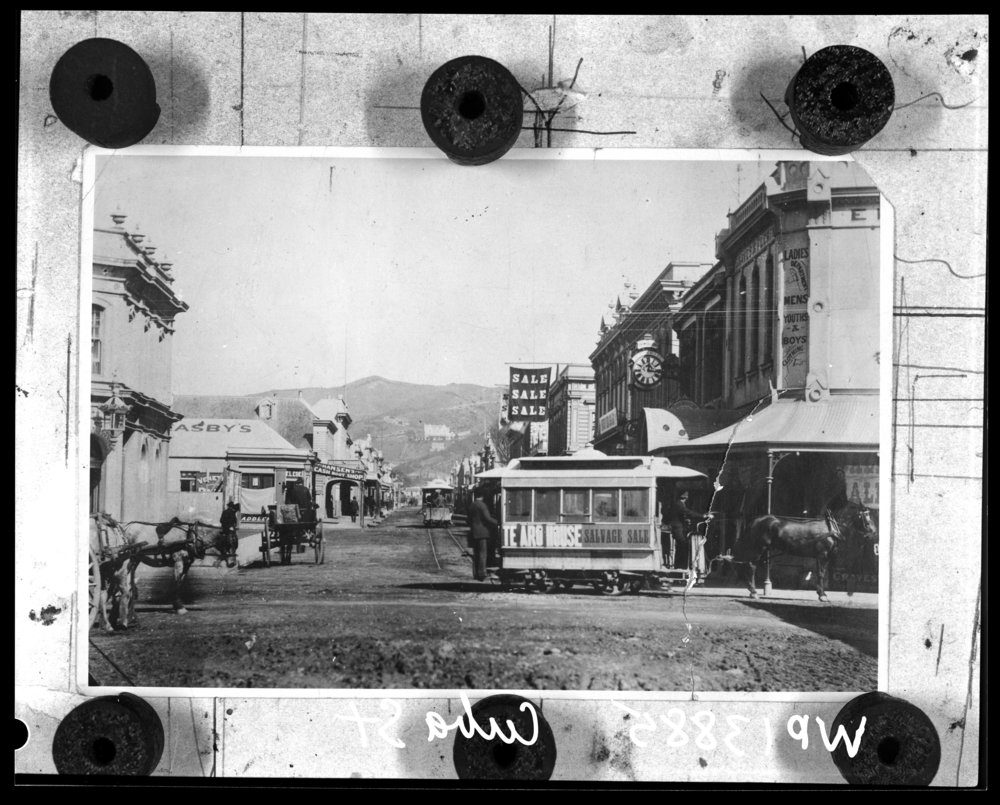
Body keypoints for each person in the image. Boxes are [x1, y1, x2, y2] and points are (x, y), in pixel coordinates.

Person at [665, 491, 710, 579]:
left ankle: (680, 569)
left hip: (678, 527)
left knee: (682, 547)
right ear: (685, 498)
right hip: (677, 528)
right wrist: (703, 516)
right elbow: (688, 512)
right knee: (683, 546)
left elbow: (684, 514)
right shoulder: (679, 504)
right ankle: (680, 569)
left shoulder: (678, 504)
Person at [467, 488, 498, 582]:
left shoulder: (472, 505)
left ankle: (476, 573)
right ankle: (482, 574)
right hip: (482, 533)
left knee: (476, 554)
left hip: (473, 532)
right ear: (482, 496)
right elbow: (487, 518)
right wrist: (497, 522)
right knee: (482, 554)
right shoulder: (482, 505)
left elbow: (468, 520)